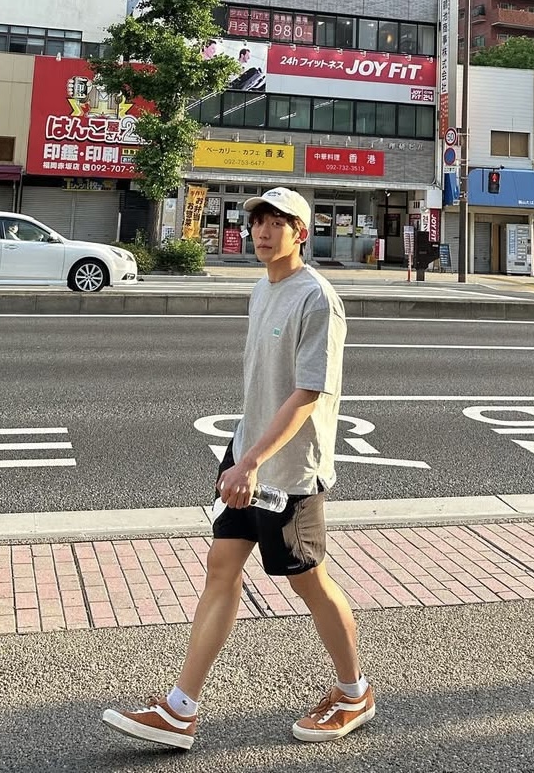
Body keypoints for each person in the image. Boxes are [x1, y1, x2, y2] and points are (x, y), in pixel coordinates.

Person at [102, 187, 373, 751]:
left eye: (278, 223)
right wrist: (242, 455)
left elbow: (308, 393)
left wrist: (252, 461)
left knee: (309, 582)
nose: (264, 232)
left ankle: (354, 694)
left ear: (302, 233)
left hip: (289, 471)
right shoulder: (261, 288)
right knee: (221, 568)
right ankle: (180, 709)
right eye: (258, 222)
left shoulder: (317, 299)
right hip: (247, 454)